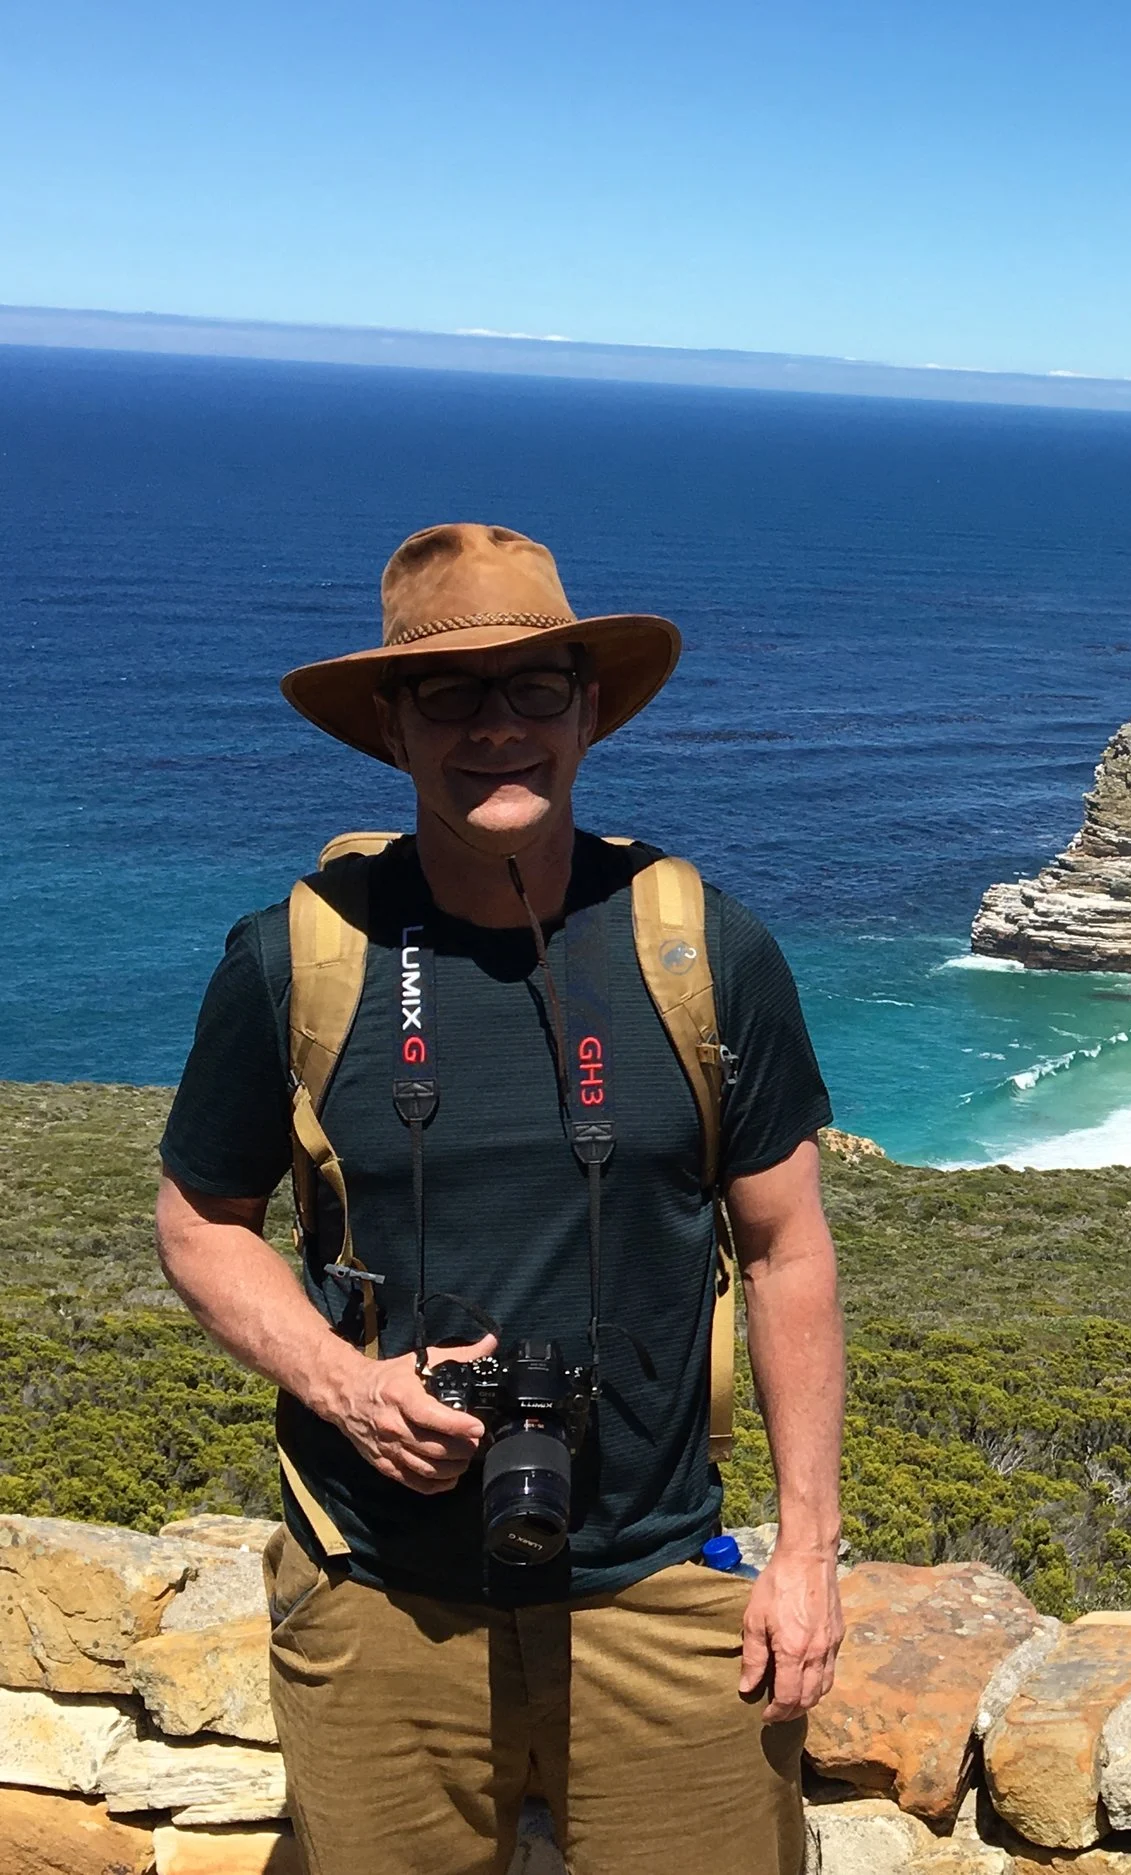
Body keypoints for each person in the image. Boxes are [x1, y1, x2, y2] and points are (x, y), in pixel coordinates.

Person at [154, 523, 846, 1875]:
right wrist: (347, 1385)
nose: (499, 729)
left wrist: (809, 1549)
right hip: (379, 1594)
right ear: (394, 726)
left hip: (656, 1588)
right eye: (453, 694)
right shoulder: (297, 954)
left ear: (588, 710)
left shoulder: (704, 947)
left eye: (535, 688)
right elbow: (198, 1220)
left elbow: (787, 1252)